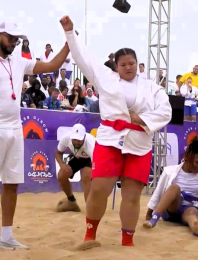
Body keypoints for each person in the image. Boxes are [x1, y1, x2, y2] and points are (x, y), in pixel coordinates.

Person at [64, 15, 172, 249]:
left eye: (131, 63)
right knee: (99, 188)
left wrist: (141, 118)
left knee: (132, 196)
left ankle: (127, 241)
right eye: (123, 64)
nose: (128, 67)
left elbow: (166, 111)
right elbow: (85, 59)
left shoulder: (152, 87)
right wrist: (70, 33)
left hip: (139, 143)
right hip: (110, 140)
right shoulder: (105, 78)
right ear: (116, 66)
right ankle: (90, 235)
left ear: (137, 62)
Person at [0, 19, 70, 254]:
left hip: (14, 128)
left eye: (17, 39)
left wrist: (69, 42)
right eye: (11, 38)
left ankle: (6, 235)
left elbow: (52, 64)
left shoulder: (19, 61)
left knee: (12, 184)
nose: (14, 42)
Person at [143, 137, 198, 237]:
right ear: (187, 160)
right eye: (197, 163)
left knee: (192, 212)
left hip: (190, 208)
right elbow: (158, 192)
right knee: (174, 188)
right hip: (172, 208)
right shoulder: (169, 171)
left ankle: (195, 225)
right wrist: (149, 212)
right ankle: (154, 219)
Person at [55, 124, 95, 212]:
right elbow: (58, 153)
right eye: (75, 139)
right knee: (61, 175)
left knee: (86, 177)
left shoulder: (91, 144)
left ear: (84, 137)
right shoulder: (66, 138)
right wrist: (62, 165)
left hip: (91, 158)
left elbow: (95, 164)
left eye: (79, 140)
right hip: (77, 157)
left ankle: (90, 207)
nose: (76, 142)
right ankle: (71, 201)